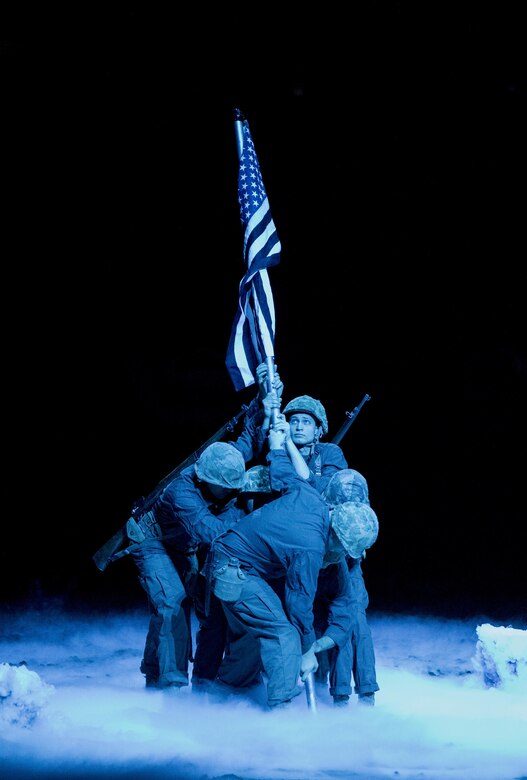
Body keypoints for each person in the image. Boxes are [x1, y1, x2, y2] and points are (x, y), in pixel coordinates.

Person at [130, 365, 282, 691]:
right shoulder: (182, 491)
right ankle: (169, 684)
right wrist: (256, 535)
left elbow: (247, 441)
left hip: (181, 545)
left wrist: (263, 401)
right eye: (225, 488)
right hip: (152, 541)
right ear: (206, 480)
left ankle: (153, 670)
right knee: (171, 601)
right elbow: (209, 532)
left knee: (176, 607)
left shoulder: (221, 463)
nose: (232, 492)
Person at [206, 418, 371, 710]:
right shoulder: (311, 547)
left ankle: (222, 694)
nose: (341, 556)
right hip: (233, 568)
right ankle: (281, 712)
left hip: (239, 563)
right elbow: (299, 605)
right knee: (283, 635)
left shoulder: (313, 499)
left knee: (254, 631)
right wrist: (308, 651)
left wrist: (277, 448)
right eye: (342, 549)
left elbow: (283, 473)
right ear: (337, 535)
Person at [316, 468, 380, 706]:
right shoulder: (317, 483)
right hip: (325, 563)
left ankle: (357, 694)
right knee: (336, 624)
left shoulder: (336, 469)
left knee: (352, 623)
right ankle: (338, 690)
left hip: (346, 565)